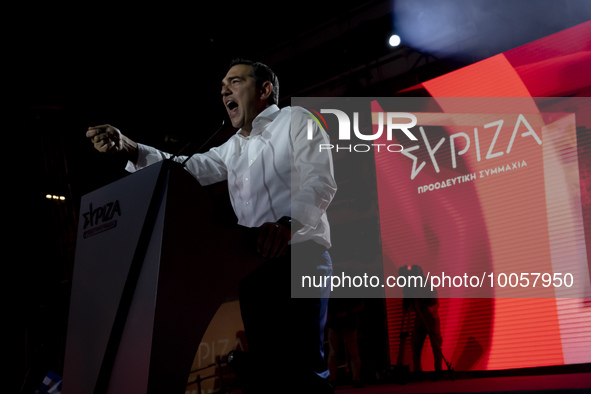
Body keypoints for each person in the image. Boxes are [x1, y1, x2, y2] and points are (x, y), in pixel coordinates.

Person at [86, 59, 337, 393]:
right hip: (251, 266)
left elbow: (320, 182)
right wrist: (130, 148)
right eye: (222, 86)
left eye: (235, 81)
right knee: (268, 373)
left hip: (301, 255)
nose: (224, 90)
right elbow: (183, 169)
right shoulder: (233, 147)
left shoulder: (296, 120)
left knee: (303, 368)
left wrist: (287, 223)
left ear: (264, 90)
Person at [399, 265, 443, 380]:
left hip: (431, 318)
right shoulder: (410, 287)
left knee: (436, 345)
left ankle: (439, 371)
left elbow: (435, 303)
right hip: (420, 318)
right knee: (416, 345)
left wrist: (427, 311)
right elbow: (408, 301)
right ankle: (417, 371)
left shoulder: (426, 285)